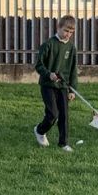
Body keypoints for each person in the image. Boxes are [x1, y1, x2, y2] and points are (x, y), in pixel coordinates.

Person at [33, 15, 78, 152]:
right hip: (48, 85)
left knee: (64, 115)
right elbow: (38, 65)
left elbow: (73, 70)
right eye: (65, 31)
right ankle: (40, 130)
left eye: (71, 32)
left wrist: (72, 90)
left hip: (63, 86)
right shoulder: (48, 45)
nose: (68, 35)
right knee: (53, 114)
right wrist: (49, 74)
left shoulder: (71, 48)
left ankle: (63, 143)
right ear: (58, 28)